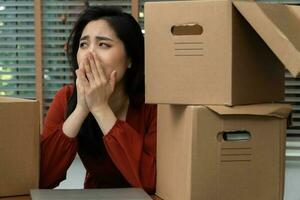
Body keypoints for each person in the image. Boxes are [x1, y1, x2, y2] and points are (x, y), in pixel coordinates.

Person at [39, 6, 157, 194]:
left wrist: (101, 108)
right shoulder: (66, 97)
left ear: (130, 59)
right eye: (83, 45)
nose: (89, 54)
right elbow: (41, 178)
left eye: (103, 45)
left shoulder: (153, 104)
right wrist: (80, 109)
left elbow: (151, 181)